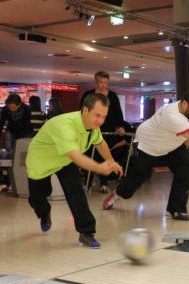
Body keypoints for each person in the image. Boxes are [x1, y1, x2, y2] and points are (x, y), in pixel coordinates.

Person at [102, 89, 189, 221]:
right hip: (147, 145)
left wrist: (184, 152)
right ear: (185, 103)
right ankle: (117, 194)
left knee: (186, 165)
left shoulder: (187, 112)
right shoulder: (172, 115)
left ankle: (176, 209)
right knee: (136, 179)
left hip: (169, 146)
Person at [26, 93, 123, 249]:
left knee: (76, 192)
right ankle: (44, 213)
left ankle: (86, 232)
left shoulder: (92, 126)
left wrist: (111, 162)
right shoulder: (65, 125)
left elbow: (100, 143)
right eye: (97, 115)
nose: (100, 121)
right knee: (37, 198)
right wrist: (99, 168)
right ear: (85, 110)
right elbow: (76, 156)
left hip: (65, 161)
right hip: (41, 162)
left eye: (103, 117)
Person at [79, 70, 129, 193]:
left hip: (108, 132)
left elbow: (118, 115)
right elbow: (81, 112)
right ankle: (88, 181)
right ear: (96, 82)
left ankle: (104, 182)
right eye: (101, 82)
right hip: (91, 130)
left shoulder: (112, 96)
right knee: (89, 154)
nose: (103, 85)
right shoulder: (89, 95)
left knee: (104, 155)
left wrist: (120, 127)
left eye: (105, 82)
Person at [0, 93, 34, 191]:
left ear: (19, 104)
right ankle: (6, 182)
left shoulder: (26, 109)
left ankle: (24, 180)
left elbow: (27, 126)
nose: (11, 109)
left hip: (25, 133)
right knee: (8, 155)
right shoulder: (5, 110)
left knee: (22, 157)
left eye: (13, 107)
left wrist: (20, 142)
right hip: (11, 132)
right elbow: (0, 126)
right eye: (10, 107)